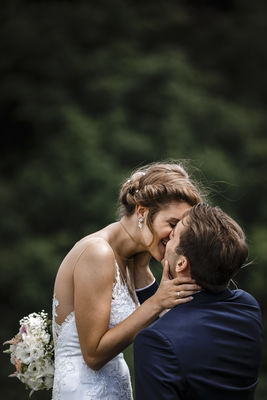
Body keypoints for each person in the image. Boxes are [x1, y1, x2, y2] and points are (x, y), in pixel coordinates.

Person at [51, 162, 203, 400]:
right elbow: (93, 355)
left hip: (115, 388)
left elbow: (161, 329)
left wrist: (146, 269)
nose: (176, 237)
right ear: (142, 212)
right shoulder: (97, 252)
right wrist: (156, 303)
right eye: (173, 225)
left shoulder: (135, 259)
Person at [134, 203, 262, 400]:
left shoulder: (156, 341)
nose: (168, 237)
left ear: (182, 263)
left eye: (174, 235)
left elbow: (174, 329)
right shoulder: (247, 307)